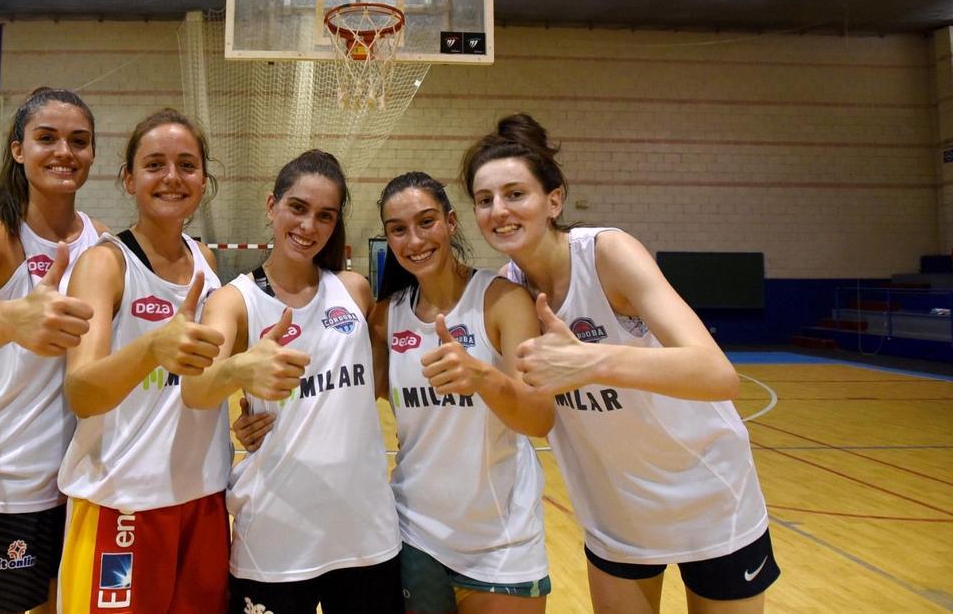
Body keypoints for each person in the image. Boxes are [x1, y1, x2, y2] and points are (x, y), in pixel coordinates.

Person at [461, 113, 780, 613]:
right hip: (614, 515)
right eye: (484, 200)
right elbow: (532, 414)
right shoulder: (506, 289)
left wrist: (592, 361)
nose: (498, 210)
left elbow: (717, 374)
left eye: (514, 194)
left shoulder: (607, 254)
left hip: (708, 498)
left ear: (554, 200)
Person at [182, 150, 403, 614]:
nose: (309, 226)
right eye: (297, 208)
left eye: (324, 215)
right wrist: (241, 370)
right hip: (276, 535)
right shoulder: (235, 300)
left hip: (364, 530)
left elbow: (379, 382)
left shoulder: (354, 290)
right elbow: (196, 390)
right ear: (272, 205)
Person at [0, 87, 103, 614]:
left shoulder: (98, 243)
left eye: (78, 141)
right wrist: (16, 317)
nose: (63, 152)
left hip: (73, 477)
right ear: (17, 149)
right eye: (46, 138)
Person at [56, 109, 230, 614]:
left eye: (187, 165)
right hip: (122, 500)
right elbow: (83, 393)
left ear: (204, 180)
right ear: (129, 179)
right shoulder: (105, 264)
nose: (172, 177)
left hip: (202, 495)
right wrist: (152, 348)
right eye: (155, 164)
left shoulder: (207, 262)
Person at [372, 171, 552, 614]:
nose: (414, 239)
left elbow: (539, 419)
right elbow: (343, 395)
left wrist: (484, 378)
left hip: (502, 539)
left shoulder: (503, 301)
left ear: (451, 223)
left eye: (427, 221)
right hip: (417, 535)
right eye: (398, 229)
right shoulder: (385, 316)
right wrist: (261, 419)